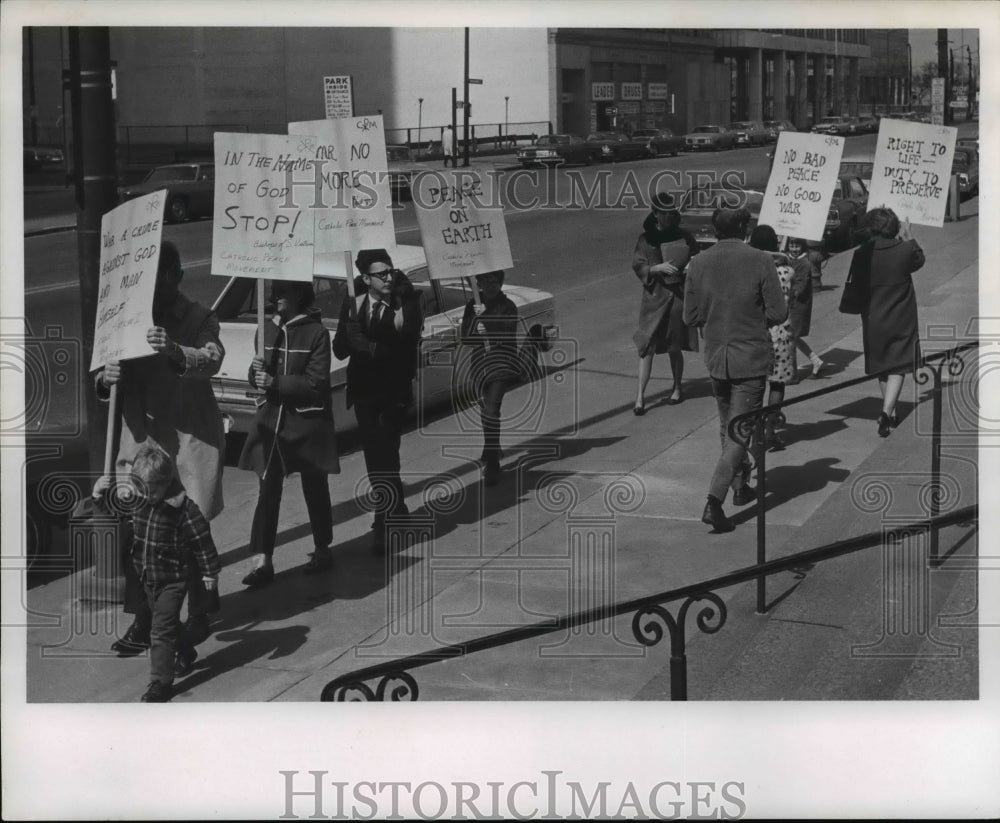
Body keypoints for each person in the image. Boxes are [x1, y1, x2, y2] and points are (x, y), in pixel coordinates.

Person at [96, 240, 225, 657]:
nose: (150, 287)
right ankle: (144, 621)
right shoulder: (125, 318)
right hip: (143, 445)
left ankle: (199, 615)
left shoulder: (198, 316)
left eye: (159, 277)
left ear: (177, 276)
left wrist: (173, 350)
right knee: (140, 538)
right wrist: (105, 377)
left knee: (187, 534)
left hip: (188, 444)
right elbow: (103, 376)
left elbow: (212, 357)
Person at [683, 208, 788, 533]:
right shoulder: (760, 260)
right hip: (750, 357)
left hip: (717, 357)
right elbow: (779, 311)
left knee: (727, 426)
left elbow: (690, 316)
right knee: (739, 431)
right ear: (744, 228)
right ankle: (715, 500)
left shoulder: (698, 263)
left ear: (715, 230)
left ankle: (741, 486)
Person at [92, 444, 220, 703]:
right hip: (147, 578)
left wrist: (210, 573)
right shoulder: (138, 499)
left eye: (150, 490)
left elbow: (202, 542)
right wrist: (98, 494)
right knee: (166, 626)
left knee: (160, 631)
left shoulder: (184, 510)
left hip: (173, 579)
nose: (143, 495)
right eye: (140, 488)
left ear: (166, 484)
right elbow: (113, 512)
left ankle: (160, 683)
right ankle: (186, 648)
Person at [239, 280, 340, 587]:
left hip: (306, 424)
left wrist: (275, 383)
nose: (275, 297)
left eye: (282, 291)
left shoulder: (316, 333)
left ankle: (323, 548)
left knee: (315, 487)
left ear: (299, 294)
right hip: (271, 424)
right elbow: (259, 376)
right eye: (274, 292)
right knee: (267, 490)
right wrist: (254, 374)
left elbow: (316, 383)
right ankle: (262, 560)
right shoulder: (265, 329)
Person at [332, 249, 424, 551]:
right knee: (378, 458)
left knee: (384, 455)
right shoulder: (353, 303)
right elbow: (340, 351)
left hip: (393, 393)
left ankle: (384, 522)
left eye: (390, 271)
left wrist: (370, 346)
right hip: (363, 394)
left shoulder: (404, 303)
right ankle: (394, 509)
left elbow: (408, 342)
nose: (388, 277)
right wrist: (349, 333)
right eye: (381, 273)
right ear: (365, 278)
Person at [850, 207, 925, 437]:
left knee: (882, 365)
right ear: (894, 228)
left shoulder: (862, 253)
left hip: (874, 317)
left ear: (871, 229)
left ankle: (889, 412)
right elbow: (919, 260)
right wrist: (909, 235)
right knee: (899, 365)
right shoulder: (904, 250)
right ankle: (886, 412)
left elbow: (856, 284)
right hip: (902, 316)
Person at [631, 192, 700, 414]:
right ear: (655, 214)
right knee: (646, 347)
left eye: (671, 213)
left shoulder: (684, 235)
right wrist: (656, 268)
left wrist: (689, 266)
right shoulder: (646, 238)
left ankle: (677, 387)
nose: (668, 217)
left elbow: (696, 258)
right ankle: (640, 397)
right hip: (654, 298)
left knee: (674, 345)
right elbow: (638, 264)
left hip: (677, 296)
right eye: (664, 213)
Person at [459, 270, 520, 486]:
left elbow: (506, 333)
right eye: (486, 280)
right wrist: (475, 316)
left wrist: (487, 315)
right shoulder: (472, 305)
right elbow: (465, 337)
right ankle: (491, 446)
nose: (490, 285)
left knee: (492, 411)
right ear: (479, 283)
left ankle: (492, 463)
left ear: (501, 283)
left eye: (495, 281)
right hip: (480, 366)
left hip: (501, 364)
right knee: (486, 413)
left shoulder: (508, 306)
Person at [748, 225, 795, 452]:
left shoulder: (750, 270)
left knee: (753, 385)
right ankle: (770, 430)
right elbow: (791, 301)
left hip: (755, 331)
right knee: (777, 384)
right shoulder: (788, 272)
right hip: (782, 332)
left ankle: (752, 432)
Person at [785, 237, 825, 380]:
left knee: (791, 338)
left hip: (798, 305)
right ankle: (816, 361)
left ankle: (792, 373)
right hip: (790, 304)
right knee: (793, 337)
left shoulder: (804, 263)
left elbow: (800, 288)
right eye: (791, 245)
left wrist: (787, 292)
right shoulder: (788, 259)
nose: (794, 249)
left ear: (802, 247)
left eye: (797, 246)